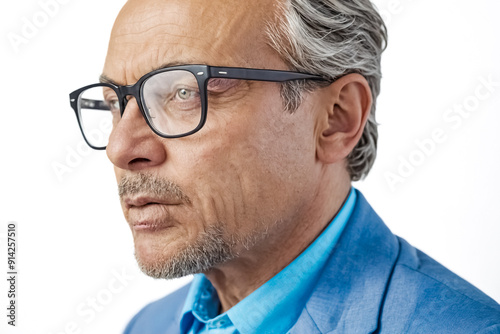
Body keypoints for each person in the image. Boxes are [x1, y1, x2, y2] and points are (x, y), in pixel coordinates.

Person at [69, 0, 500, 332]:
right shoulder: (149, 326)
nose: (120, 148)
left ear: (336, 119)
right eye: (115, 104)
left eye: (184, 93)